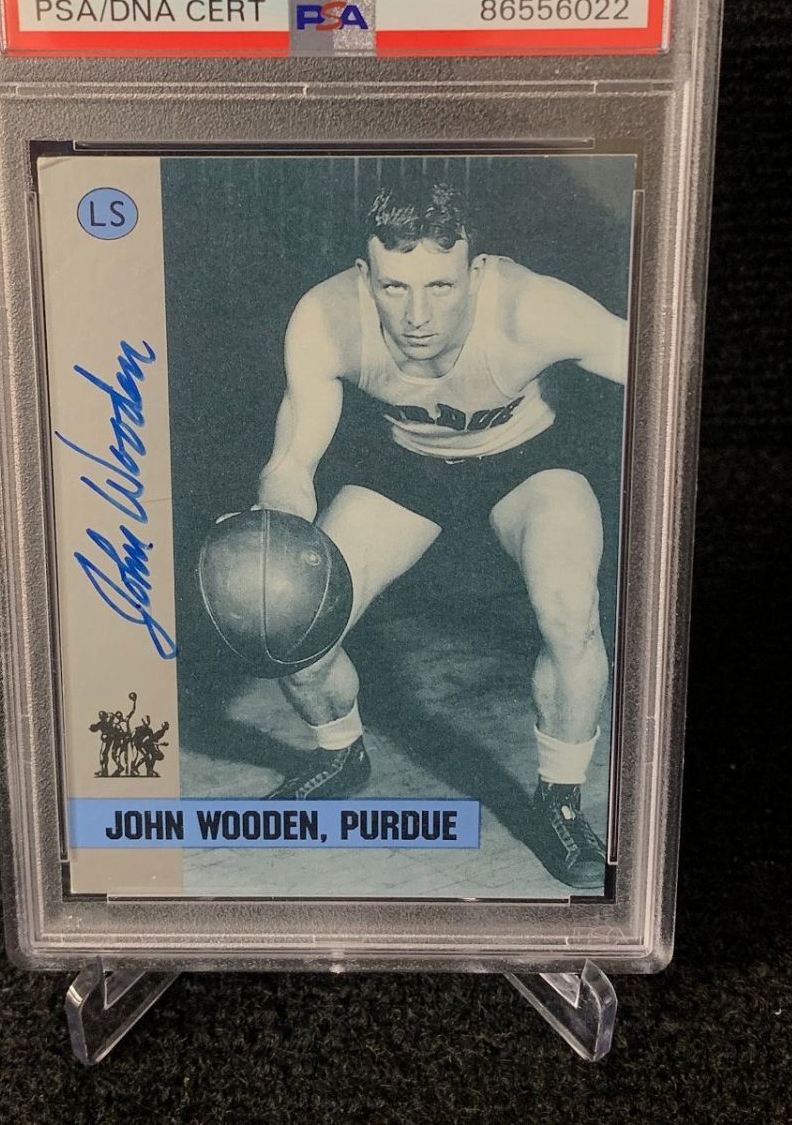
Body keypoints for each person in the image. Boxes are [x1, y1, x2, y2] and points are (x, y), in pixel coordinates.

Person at [254, 179, 626, 887]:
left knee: (569, 612)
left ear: (476, 271)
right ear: (365, 274)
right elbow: (291, 464)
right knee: (295, 621)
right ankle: (340, 752)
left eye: (440, 286)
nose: (417, 315)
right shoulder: (328, 317)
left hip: (528, 460)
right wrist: (281, 527)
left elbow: (667, 367)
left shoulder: (534, 309)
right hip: (409, 464)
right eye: (394, 287)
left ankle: (559, 799)